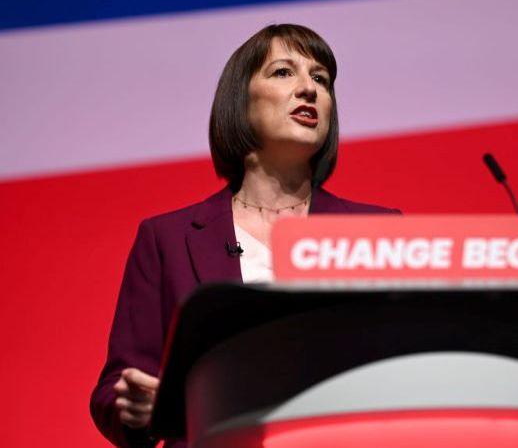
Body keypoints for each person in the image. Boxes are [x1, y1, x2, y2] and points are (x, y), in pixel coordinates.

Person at [90, 23, 400, 448]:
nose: (309, 89)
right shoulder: (168, 239)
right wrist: (143, 409)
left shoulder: (380, 233)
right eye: (283, 72)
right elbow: (116, 387)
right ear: (240, 100)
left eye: (321, 80)